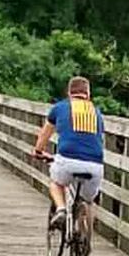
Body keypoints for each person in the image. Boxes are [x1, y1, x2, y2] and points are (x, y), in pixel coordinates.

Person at [31, 76, 104, 236]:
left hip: (68, 160)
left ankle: (61, 209)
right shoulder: (97, 113)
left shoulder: (59, 108)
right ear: (88, 94)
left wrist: (38, 151)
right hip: (95, 165)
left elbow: (44, 135)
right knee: (88, 201)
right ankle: (86, 239)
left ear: (69, 93)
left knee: (56, 183)